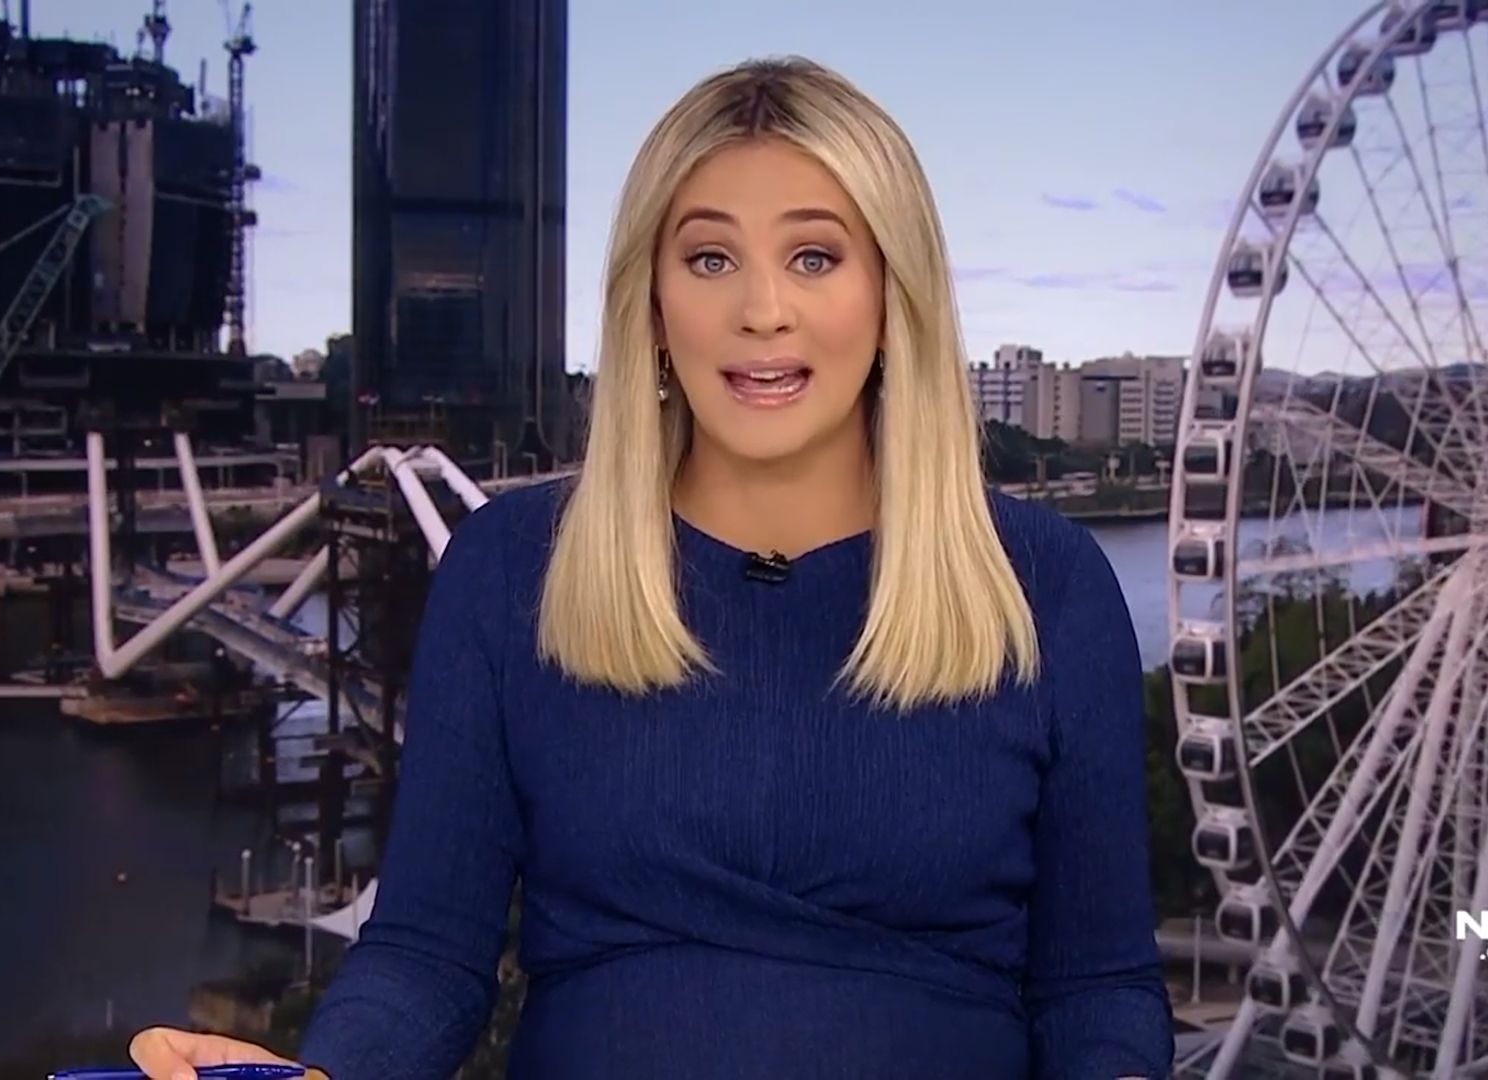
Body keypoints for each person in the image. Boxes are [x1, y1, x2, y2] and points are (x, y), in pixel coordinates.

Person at [130, 55, 1172, 1080]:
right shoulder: (510, 571)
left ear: (896, 296)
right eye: (710, 259)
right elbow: (427, 959)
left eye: (815, 257)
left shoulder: (1046, 586)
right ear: (654, 306)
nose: (762, 309)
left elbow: (1096, 991)